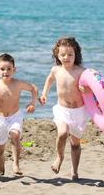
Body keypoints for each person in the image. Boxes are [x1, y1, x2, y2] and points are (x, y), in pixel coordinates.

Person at [39, 37, 90, 180]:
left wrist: (86, 90)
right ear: (57, 56)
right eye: (62, 55)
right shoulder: (56, 70)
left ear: (76, 55)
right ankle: (59, 158)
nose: (66, 57)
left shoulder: (81, 71)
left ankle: (74, 171)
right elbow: (49, 80)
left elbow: (92, 90)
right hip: (62, 110)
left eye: (70, 54)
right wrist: (44, 94)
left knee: (75, 145)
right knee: (62, 133)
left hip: (79, 112)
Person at [0, 53, 38, 176]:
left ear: (14, 70)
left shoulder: (17, 83)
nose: (6, 72)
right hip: (0, 118)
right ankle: (1, 162)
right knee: (0, 148)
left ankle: (16, 164)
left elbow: (33, 88)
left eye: (9, 69)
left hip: (15, 116)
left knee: (15, 135)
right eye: (2, 69)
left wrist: (33, 103)